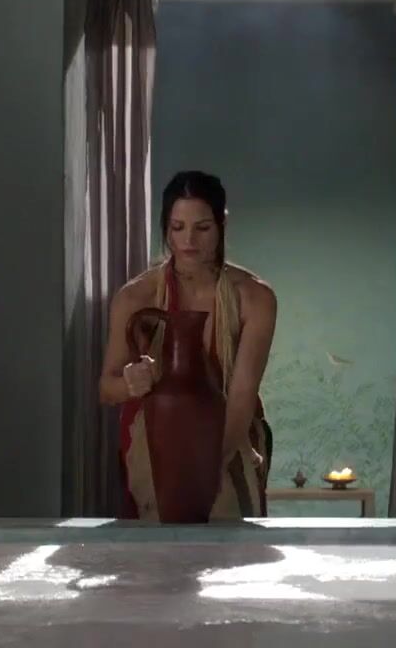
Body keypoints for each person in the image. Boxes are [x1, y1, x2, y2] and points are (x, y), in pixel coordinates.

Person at [99, 171, 277, 520]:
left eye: (202, 228)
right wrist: (130, 382)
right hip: (156, 440)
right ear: (165, 227)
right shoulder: (137, 297)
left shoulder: (254, 299)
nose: (188, 240)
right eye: (177, 227)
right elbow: (106, 388)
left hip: (228, 435)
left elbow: (241, 397)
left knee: (226, 536)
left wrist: (204, 473)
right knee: (160, 542)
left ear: (222, 224)